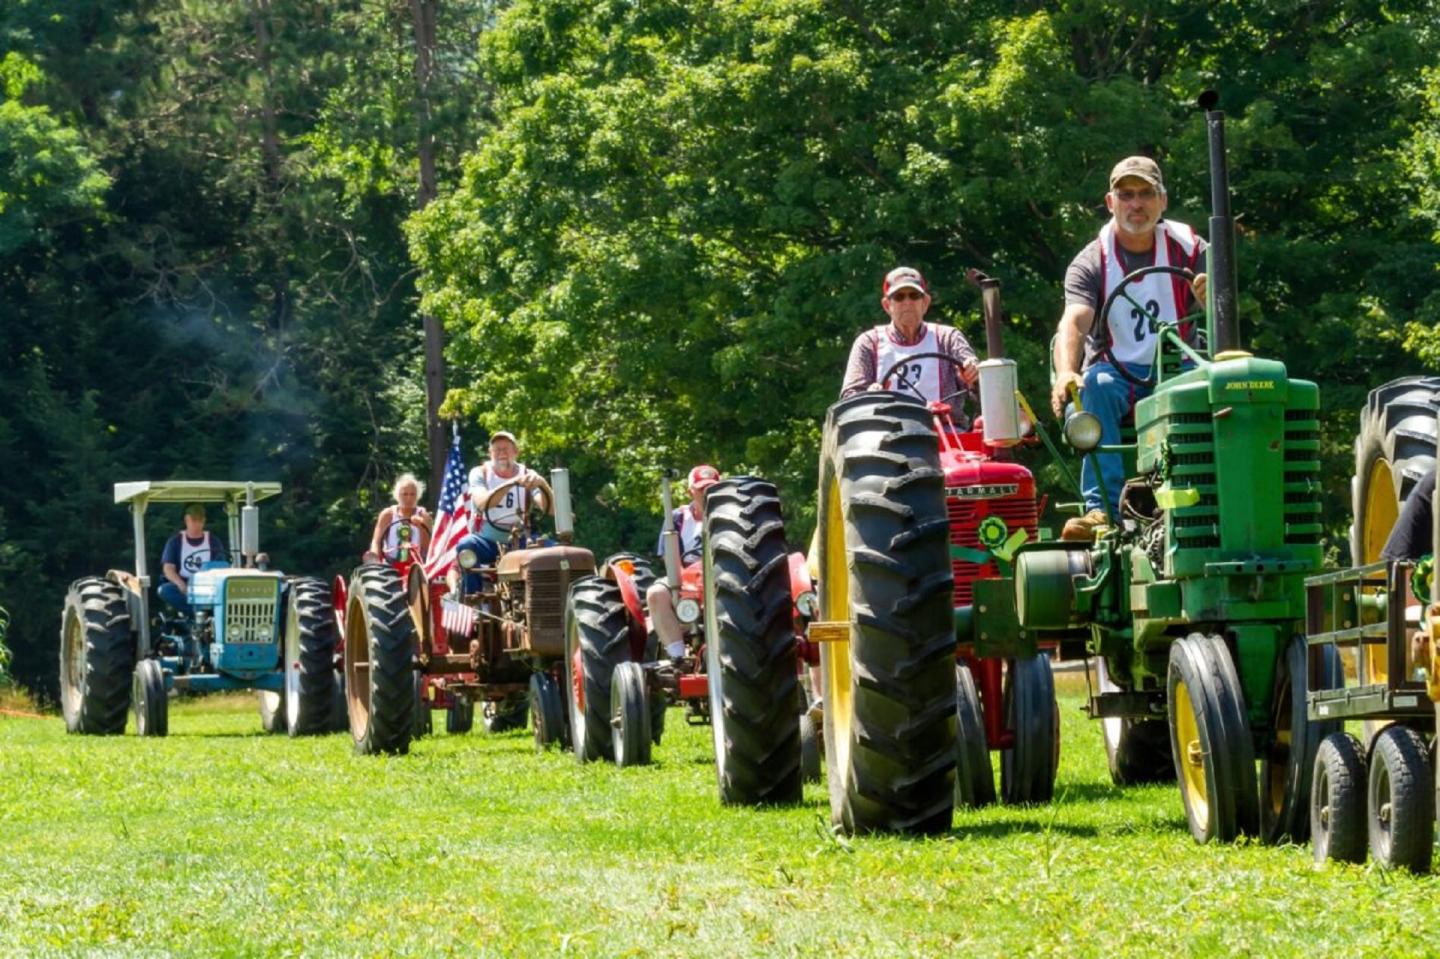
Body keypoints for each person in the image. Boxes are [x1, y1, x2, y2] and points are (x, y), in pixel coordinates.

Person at [1049, 156, 1210, 541]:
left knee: (1214, 390)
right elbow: (1074, 321)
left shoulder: (1192, 249)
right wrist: (1067, 371)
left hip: (1179, 366)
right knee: (1094, 387)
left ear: (1162, 201)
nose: (1136, 204)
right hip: (1116, 371)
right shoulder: (1091, 261)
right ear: (1111, 202)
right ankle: (1101, 510)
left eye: (1145, 194)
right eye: (1126, 195)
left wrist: (1210, 298)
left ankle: (1206, 500)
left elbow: (1222, 308)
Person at [840, 266, 980, 402]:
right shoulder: (869, 343)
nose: (907, 302)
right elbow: (849, 397)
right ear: (887, 305)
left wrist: (972, 374)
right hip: (885, 425)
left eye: (914, 296)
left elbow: (980, 388)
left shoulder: (948, 338)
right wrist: (869, 396)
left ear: (925, 302)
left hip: (945, 423)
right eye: (899, 297)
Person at [449, 431, 546, 593]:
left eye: (506, 448)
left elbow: (548, 508)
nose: (501, 453)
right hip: (487, 542)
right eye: (497, 449)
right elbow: (482, 503)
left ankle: (549, 604)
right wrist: (511, 483)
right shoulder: (480, 473)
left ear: (516, 452)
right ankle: (474, 602)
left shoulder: (528, 475)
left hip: (521, 541)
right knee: (466, 546)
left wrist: (542, 484)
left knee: (556, 553)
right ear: (490, 453)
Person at [646, 464, 719, 660]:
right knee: (656, 593)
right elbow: (669, 556)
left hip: (718, 574)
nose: (707, 494)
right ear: (691, 491)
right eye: (702, 489)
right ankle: (678, 656)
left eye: (711, 488)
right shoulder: (678, 518)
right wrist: (683, 583)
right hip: (686, 576)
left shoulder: (728, 517)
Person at [159, 503, 227, 617]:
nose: (197, 524)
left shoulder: (213, 541)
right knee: (164, 590)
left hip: (208, 585)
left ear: (204, 521)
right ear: (186, 520)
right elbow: (168, 568)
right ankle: (197, 615)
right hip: (184, 584)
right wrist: (180, 584)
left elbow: (221, 566)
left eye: (200, 521)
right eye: (193, 520)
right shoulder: (175, 542)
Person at [366, 473, 431, 564]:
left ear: (417, 496)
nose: (409, 498)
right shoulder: (388, 514)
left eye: (412, 494)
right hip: (390, 563)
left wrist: (421, 527)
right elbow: (376, 542)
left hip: (417, 564)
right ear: (397, 495)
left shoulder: (423, 516)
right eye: (405, 494)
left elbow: (428, 548)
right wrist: (374, 560)